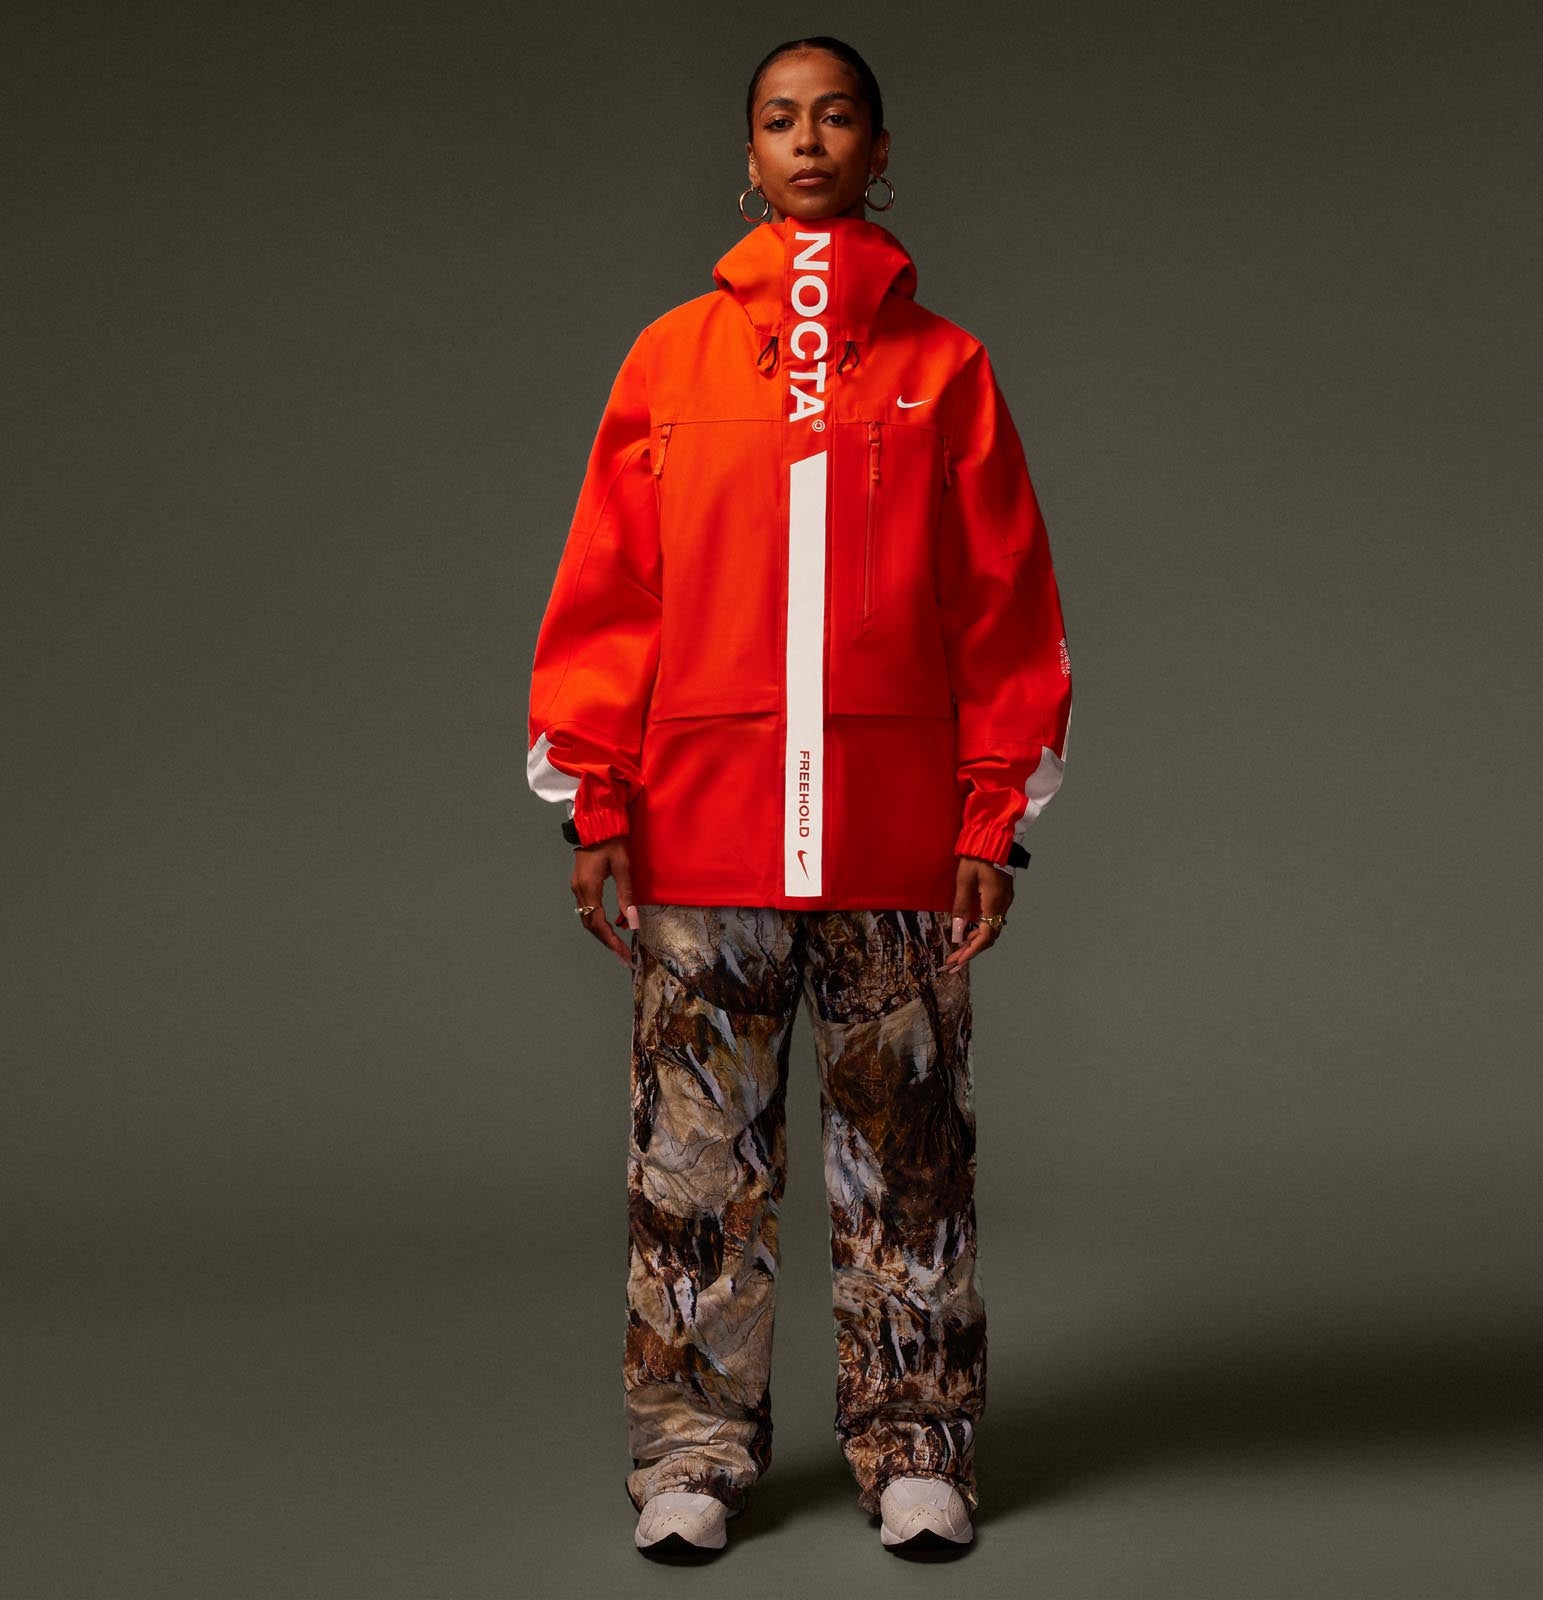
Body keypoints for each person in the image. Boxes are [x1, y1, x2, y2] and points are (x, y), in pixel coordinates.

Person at [524, 36, 1073, 1559]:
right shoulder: (669, 360)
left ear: (880, 151)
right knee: (697, 1157)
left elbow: (1002, 600)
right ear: (749, 155)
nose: (810, 141)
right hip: (706, 819)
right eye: (782, 120)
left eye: (838, 118)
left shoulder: (947, 370)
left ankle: (917, 1447)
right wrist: (597, 794)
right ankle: (692, 1455)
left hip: (897, 829)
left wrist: (991, 813)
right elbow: (613, 589)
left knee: (909, 1158)